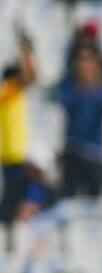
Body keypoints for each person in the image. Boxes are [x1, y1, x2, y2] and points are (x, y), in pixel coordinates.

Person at [58, 47, 102, 197]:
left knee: (93, 197)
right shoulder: (69, 86)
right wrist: (82, 85)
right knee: (69, 195)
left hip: (94, 151)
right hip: (73, 149)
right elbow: (66, 104)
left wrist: (91, 85)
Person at [0, 35, 37, 225]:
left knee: (14, 208)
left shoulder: (11, 94)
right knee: (8, 208)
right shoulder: (8, 91)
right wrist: (26, 52)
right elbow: (30, 77)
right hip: (9, 158)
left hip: (14, 157)